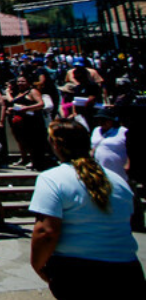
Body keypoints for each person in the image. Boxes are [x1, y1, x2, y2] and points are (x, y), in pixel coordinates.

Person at [30, 118, 145, 298]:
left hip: (79, 273)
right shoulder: (118, 180)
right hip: (127, 271)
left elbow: (46, 232)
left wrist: (37, 266)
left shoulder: (52, 178)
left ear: (56, 145)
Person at [90, 106, 129, 184]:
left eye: (104, 120)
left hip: (117, 169)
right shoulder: (96, 130)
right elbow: (93, 145)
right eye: (99, 119)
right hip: (99, 169)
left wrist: (128, 164)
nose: (101, 122)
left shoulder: (123, 131)